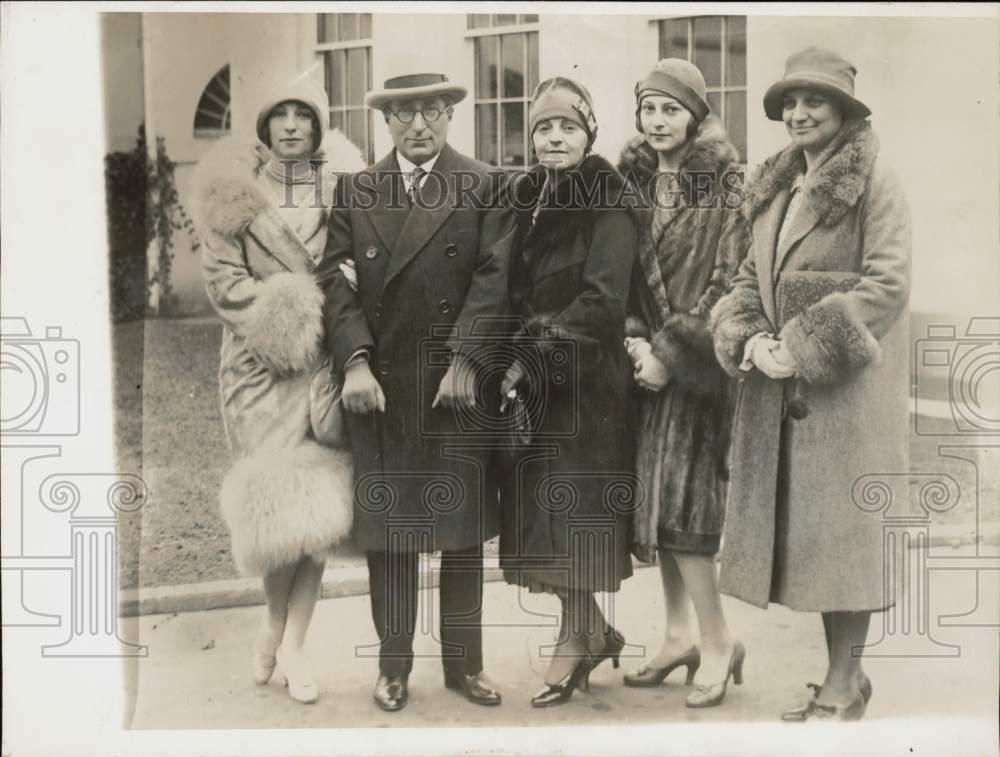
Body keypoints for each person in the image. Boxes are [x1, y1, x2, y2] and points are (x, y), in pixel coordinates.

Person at [710, 47, 911, 721]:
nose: (798, 113)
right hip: (786, 392)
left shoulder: (875, 177)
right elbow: (745, 280)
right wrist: (751, 338)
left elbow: (887, 285)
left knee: (844, 539)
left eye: (814, 101)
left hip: (845, 398)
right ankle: (845, 677)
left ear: (844, 111)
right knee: (816, 544)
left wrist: (799, 346)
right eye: (789, 103)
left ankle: (840, 681)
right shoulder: (773, 184)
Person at [315, 73, 515, 712]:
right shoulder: (356, 190)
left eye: (432, 110)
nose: (419, 125)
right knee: (393, 533)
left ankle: (465, 665)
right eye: (405, 114)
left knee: (460, 531)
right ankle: (393, 664)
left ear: (451, 113)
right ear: (387, 122)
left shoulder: (484, 184)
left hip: (456, 384)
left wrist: (465, 360)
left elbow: (495, 279)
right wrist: (355, 364)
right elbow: (336, 284)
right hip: (383, 386)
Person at [195, 74, 366, 704]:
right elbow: (223, 283)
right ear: (264, 126)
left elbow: (357, 264)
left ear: (320, 127)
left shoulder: (344, 188)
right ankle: (273, 622)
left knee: (315, 504)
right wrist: (286, 315)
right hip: (257, 366)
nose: (292, 124)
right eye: (280, 114)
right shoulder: (232, 197)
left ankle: (293, 643)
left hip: (319, 364)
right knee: (275, 500)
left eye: (304, 115)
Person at [497, 77, 639, 708]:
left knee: (572, 517)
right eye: (543, 129)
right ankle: (594, 631)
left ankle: (573, 643)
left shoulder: (608, 197)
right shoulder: (526, 196)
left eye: (568, 128)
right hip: (533, 385)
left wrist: (531, 359)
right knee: (543, 521)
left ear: (589, 135)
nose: (555, 138)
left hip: (586, 384)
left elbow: (604, 300)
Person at [616, 59, 750, 708]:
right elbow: (626, 277)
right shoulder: (632, 182)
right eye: (649, 109)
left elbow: (733, 283)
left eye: (671, 109)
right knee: (658, 512)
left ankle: (719, 640)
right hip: (647, 367)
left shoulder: (727, 185)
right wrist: (637, 339)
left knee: (692, 514)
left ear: (695, 116)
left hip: (700, 372)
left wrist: (672, 351)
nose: (658, 120)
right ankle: (677, 635)